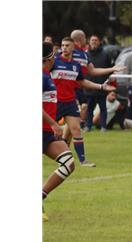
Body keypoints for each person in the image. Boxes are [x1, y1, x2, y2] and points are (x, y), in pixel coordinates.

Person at [51, 37, 116, 167]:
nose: (64, 48)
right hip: (55, 102)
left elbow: (83, 82)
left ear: (73, 47)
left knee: (76, 130)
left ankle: (83, 161)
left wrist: (101, 86)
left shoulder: (76, 66)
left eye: (67, 45)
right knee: (46, 131)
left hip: (70, 102)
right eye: (62, 45)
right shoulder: (54, 62)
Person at [42, 42, 75, 222]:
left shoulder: (47, 75)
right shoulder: (40, 76)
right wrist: (54, 123)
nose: (56, 58)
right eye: (53, 55)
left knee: (69, 163)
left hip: (46, 133)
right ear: (47, 59)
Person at [69, 29, 124, 128]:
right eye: (87, 38)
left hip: (80, 89)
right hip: (67, 92)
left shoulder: (84, 55)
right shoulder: (67, 52)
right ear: (81, 39)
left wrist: (112, 69)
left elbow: (93, 71)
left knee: (74, 126)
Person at [85, 34, 114, 131]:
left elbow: (110, 69)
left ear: (99, 42)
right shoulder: (85, 54)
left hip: (102, 87)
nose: (94, 42)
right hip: (89, 86)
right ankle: (88, 126)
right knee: (89, 109)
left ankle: (103, 126)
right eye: (92, 40)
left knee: (103, 108)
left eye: (95, 40)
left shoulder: (105, 54)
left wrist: (106, 81)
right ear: (89, 42)